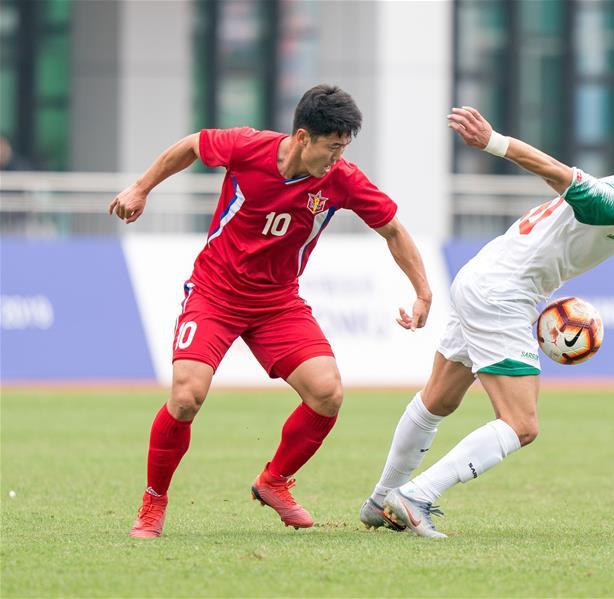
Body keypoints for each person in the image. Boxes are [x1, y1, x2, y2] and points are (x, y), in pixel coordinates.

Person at [359, 106, 614, 538]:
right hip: (503, 294)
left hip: (482, 277)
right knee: (522, 424)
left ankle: (381, 499)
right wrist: (493, 141)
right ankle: (415, 495)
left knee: (438, 399)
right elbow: (556, 172)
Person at [111, 84, 433, 538]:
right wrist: (141, 187)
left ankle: (274, 480)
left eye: (344, 147)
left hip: (278, 303)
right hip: (214, 293)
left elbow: (393, 231)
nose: (338, 158)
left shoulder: (342, 179)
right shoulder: (247, 147)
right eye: (332, 146)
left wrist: (422, 292)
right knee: (185, 397)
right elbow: (192, 145)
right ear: (302, 137)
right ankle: (153, 502)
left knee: (327, 393)